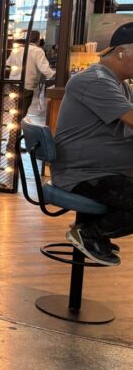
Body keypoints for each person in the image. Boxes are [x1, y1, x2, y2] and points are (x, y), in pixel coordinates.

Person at [54, 23, 133, 266]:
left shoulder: (120, 85)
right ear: (122, 52)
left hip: (102, 171)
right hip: (85, 175)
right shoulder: (95, 80)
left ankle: (94, 230)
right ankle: (89, 233)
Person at [6, 30, 55, 117]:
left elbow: (8, 63)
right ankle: (17, 125)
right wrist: (55, 75)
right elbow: (44, 68)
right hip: (27, 84)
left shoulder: (17, 49)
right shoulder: (38, 51)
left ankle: (15, 124)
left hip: (14, 82)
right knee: (22, 110)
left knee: (17, 108)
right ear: (38, 40)